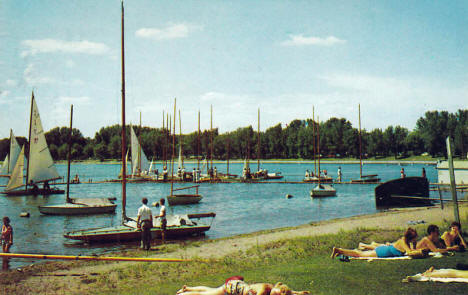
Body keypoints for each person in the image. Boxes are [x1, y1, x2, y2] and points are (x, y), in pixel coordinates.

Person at [331, 228, 419, 258]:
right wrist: (421, 251)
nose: (416, 239)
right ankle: (339, 250)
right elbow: (410, 252)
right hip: (382, 252)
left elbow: (411, 250)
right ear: (411, 238)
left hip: (384, 250)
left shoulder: (404, 240)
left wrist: (414, 245)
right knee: (359, 254)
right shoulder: (404, 242)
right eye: (415, 238)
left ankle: (341, 253)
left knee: (360, 253)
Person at [176, 278, 310, 295]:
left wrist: (298, 293)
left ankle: (188, 288)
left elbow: (288, 292)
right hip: (233, 288)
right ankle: (182, 294)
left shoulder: (274, 287)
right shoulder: (264, 291)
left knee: (212, 290)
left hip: (237, 285)